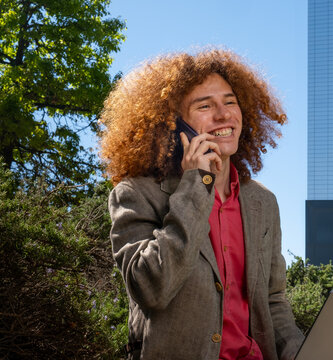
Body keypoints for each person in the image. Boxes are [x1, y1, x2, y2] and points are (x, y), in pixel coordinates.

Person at [99, 49, 304, 360]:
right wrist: (196, 185)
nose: (223, 115)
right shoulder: (136, 194)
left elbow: (273, 301)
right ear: (174, 126)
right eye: (205, 106)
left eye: (230, 101)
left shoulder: (263, 202)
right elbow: (152, 288)